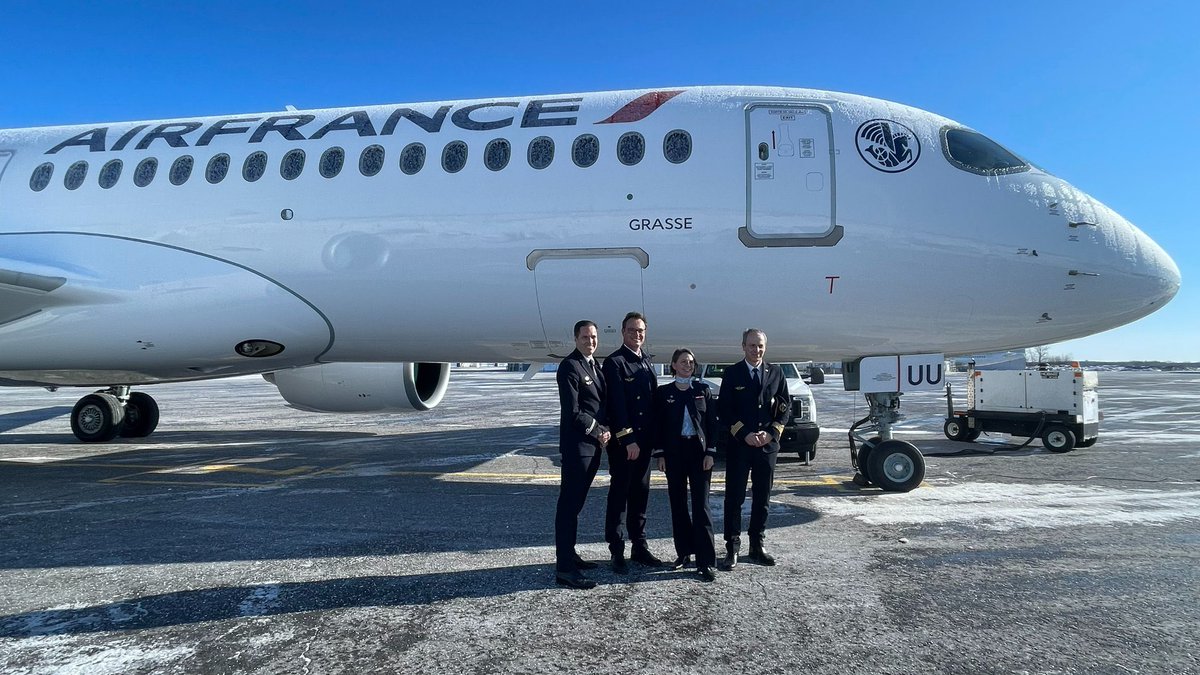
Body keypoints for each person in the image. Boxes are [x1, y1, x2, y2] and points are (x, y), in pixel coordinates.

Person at [718, 328, 790, 570]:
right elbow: (725, 410)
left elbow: (784, 407)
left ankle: (757, 546)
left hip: (766, 447)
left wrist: (770, 433)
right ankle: (733, 548)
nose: (756, 350)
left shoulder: (777, 373)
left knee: (763, 498)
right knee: (734, 498)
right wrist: (744, 433)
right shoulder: (732, 373)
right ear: (743, 347)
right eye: (752, 345)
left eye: (760, 346)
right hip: (741, 446)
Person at [600, 311, 663, 573]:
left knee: (641, 495)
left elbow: (653, 406)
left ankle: (639, 545)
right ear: (623, 333)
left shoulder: (646, 362)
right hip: (626, 445)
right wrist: (628, 440)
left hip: (645, 443)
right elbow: (617, 406)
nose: (637, 335)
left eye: (641, 331)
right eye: (632, 330)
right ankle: (617, 550)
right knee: (620, 496)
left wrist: (656, 445)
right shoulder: (615, 363)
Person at [652, 348, 719, 582]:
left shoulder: (702, 391)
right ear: (673, 365)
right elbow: (658, 427)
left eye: (691, 362)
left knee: (701, 506)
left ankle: (706, 560)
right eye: (683, 362)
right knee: (678, 505)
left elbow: (712, 425)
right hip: (674, 454)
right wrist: (659, 454)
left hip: (699, 454)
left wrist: (711, 452)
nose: (687, 365)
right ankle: (684, 553)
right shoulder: (664, 393)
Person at [553, 320, 611, 590]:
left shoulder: (593, 365)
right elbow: (573, 411)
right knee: (568, 506)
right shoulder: (570, 366)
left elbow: (600, 405)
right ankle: (564, 568)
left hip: (592, 446)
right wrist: (597, 429)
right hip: (579, 446)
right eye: (586, 337)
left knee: (576, 506)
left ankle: (570, 554)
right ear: (575, 338)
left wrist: (605, 429)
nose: (591, 341)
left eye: (594, 337)